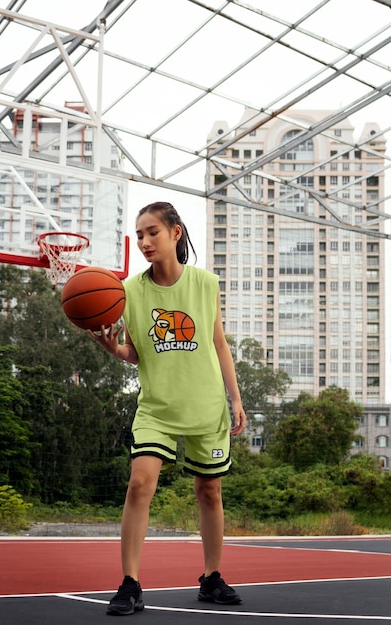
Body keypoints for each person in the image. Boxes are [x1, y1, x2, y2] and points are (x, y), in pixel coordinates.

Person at [88, 201, 246, 616]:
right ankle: (130, 583)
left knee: (209, 491)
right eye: (139, 234)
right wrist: (114, 349)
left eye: (152, 232)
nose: (143, 241)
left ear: (176, 233)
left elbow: (218, 343)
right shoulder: (128, 291)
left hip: (206, 404)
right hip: (156, 407)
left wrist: (236, 398)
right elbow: (138, 353)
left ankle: (211, 577)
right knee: (140, 483)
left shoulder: (205, 283)